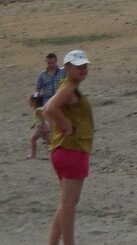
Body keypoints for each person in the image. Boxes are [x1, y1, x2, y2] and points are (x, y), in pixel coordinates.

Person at [42, 50, 94, 245]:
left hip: (65, 150)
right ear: (68, 68)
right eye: (78, 66)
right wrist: (66, 125)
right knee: (69, 204)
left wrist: (56, 128)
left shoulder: (67, 86)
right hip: (72, 150)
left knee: (67, 202)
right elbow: (49, 108)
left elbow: (46, 109)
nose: (83, 69)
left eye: (84, 66)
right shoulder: (69, 87)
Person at [28, 52, 66, 159]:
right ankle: (55, 144)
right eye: (49, 63)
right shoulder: (42, 75)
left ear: (56, 61)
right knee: (50, 124)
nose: (51, 65)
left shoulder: (62, 72)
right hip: (47, 102)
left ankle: (60, 143)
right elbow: (38, 89)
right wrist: (35, 99)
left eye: (52, 62)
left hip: (59, 100)